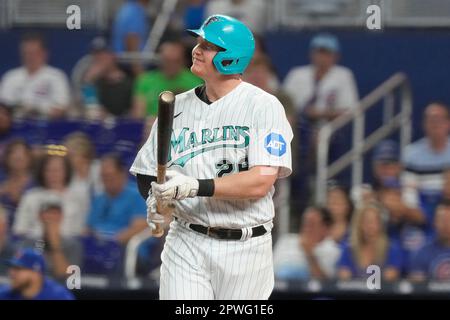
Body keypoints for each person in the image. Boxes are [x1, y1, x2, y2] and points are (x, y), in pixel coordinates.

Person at [130, 15, 293, 300]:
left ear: (232, 57)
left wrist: (195, 186)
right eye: (198, 42)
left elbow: (261, 182)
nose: (197, 49)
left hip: (246, 246)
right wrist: (155, 200)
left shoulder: (264, 106)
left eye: (208, 45)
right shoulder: (176, 106)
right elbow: (147, 171)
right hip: (187, 240)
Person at [12, 147, 87, 274]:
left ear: (66, 171)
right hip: (34, 244)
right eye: (49, 170)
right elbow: (19, 229)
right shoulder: (30, 196)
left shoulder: (77, 199)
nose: (53, 174)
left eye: (57, 170)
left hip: (66, 246)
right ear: (42, 172)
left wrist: (55, 238)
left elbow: (79, 231)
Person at [402, 102, 450, 234]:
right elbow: (409, 193)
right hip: (421, 210)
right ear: (424, 124)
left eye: (439, 120)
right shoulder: (410, 154)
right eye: (431, 120)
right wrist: (419, 214)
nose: (435, 124)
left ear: (448, 124)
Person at [0, 33, 71, 119]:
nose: (29, 57)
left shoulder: (56, 77)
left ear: (44, 54)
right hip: (14, 127)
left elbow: (61, 109)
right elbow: (3, 109)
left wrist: (36, 109)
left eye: (33, 53)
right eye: (26, 53)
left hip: (46, 127)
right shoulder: (10, 77)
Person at [132, 40, 203, 120]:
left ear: (184, 61)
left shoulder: (195, 81)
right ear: (161, 60)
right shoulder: (145, 80)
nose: (171, 65)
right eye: (167, 61)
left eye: (176, 61)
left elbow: (199, 113)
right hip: (151, 127)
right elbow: (138, 115)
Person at [86, 154, 147, 244]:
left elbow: (140, 227)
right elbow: (89, 228)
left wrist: (113, 241)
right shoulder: (99, 199)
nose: (106, 181)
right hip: (99, 247)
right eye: (104, 177)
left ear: (122, 174)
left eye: (110, 176)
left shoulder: (137, 196)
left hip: (125, 246)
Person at [337, 202, 403, 281]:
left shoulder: (392, 249)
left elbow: (389, 280)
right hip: (354, 293)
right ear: (359, 224)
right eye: (366, 221)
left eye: (374, 221)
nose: (370, 225)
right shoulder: (348, 250)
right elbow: (344, 279)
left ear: (381, 223)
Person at [273, 207, 340, 280]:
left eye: (311, 223)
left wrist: (309, 253)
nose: (306, 227)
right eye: (305, 222)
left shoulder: (332, 248)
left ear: (325, 228)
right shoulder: (286, 240)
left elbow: (326, 282)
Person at [81, 37, 134, 119]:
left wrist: (110, 117)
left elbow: (134, 112)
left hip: (122, 126)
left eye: (103, 54)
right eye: (95, 54)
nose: (99, 58)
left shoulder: (129, 81)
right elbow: (87, 107)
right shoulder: (94, 82)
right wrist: (89, 81)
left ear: (112, 55)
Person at [0, 248, 74, 300]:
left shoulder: (58, 296)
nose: (11, 273)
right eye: (12, 268)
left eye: (18, 269)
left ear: (36, 273)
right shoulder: (5, 293)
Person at [409, 200, 450, 281]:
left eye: (449, 220)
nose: (446, 224)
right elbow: (417, 288)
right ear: (434, 222)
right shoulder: (422, 253)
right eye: (442, 220)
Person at [0, 139, 34, 229]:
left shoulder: (37, 183)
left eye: (22, 155)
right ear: (7, 158)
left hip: (28, 230)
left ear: (29, 158)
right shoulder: (2, 181)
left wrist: (18, 199)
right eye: (13, 154)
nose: (17, 157)